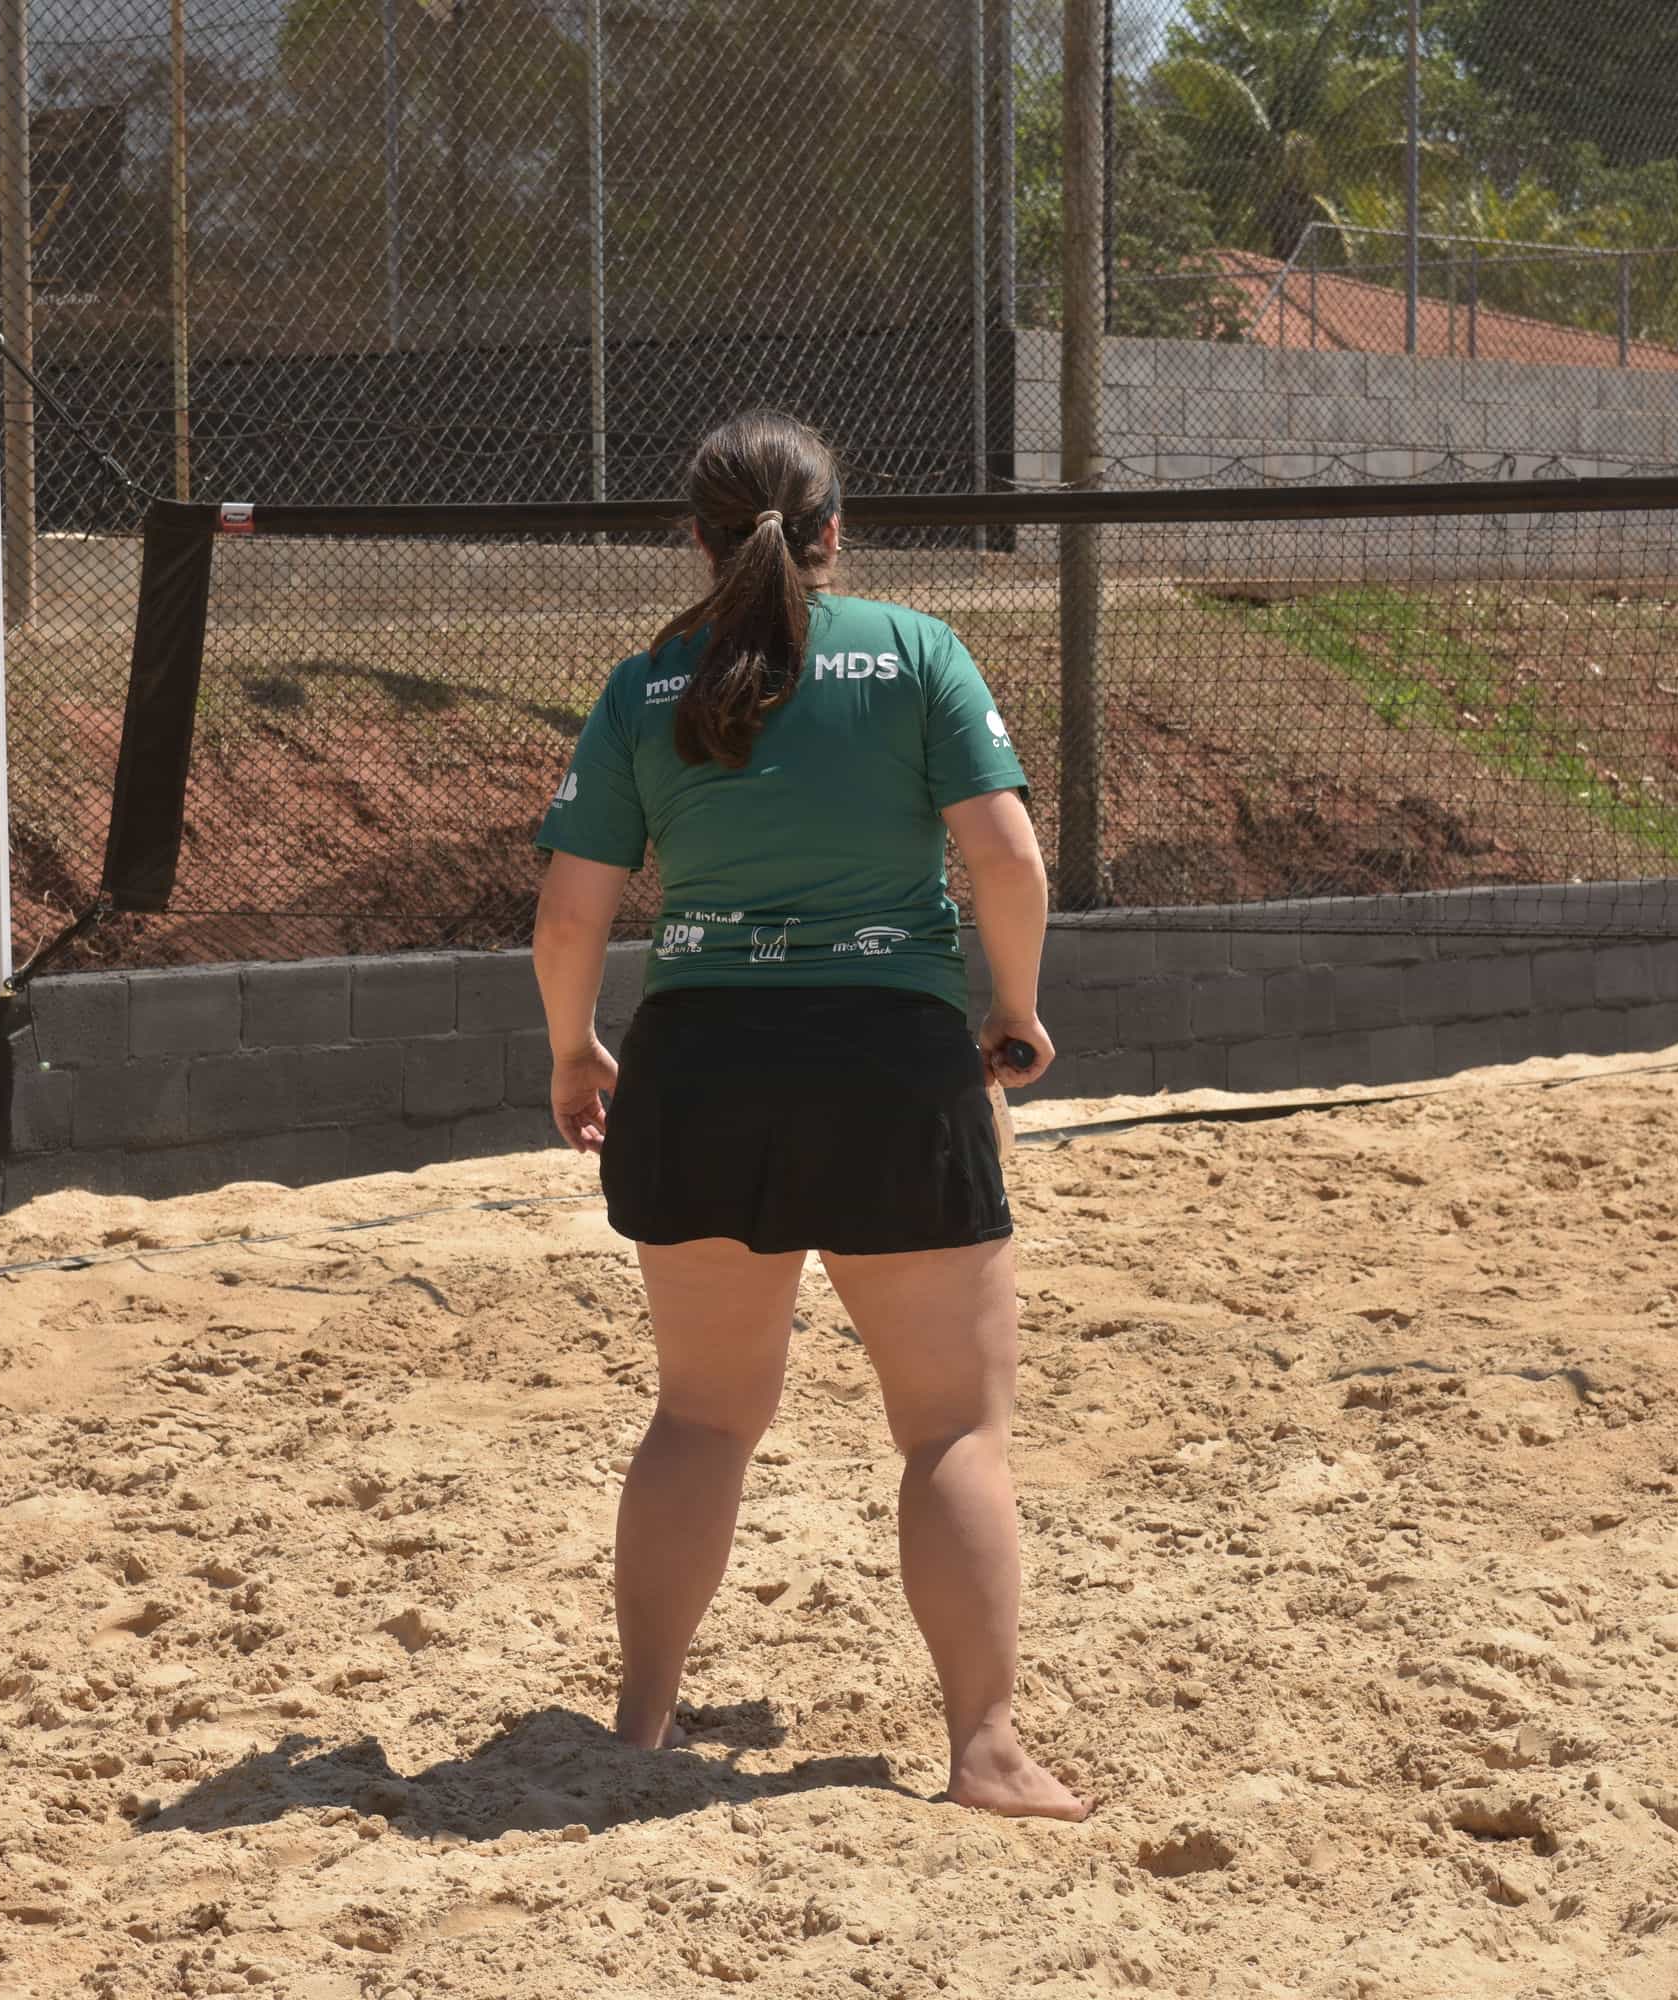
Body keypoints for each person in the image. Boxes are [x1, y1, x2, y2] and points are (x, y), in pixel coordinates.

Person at [527, 410, 1090, 1821]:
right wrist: (1015, 1009)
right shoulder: (917, 652)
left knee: (701, 1416)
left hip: (700, 1062)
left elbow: (569, 915)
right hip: (888, 1057)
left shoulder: (646, 683)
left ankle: (641, 1722)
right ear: (836, 529)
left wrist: (576, 1053)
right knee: (951, 1428)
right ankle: (986, 1753)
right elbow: (1008, 863)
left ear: (695, 537)